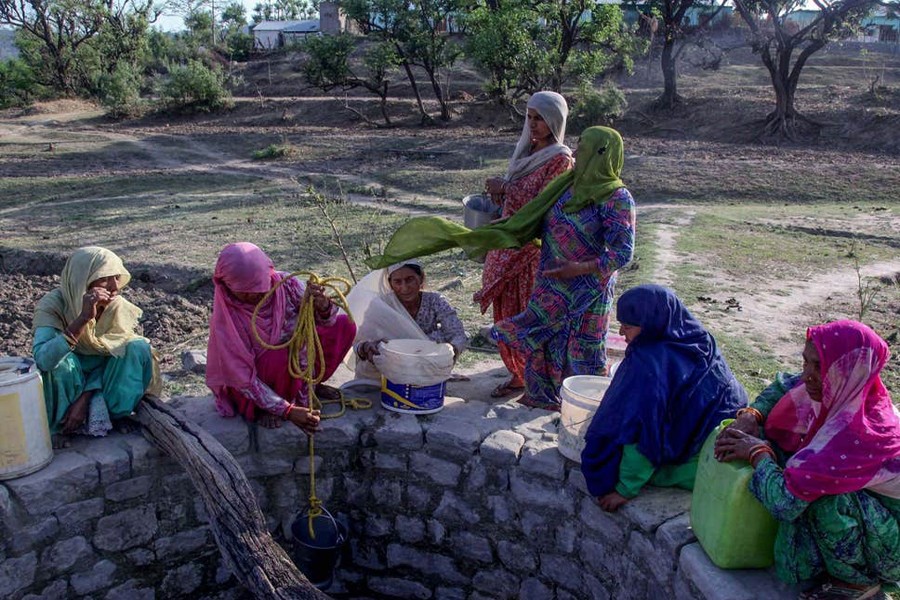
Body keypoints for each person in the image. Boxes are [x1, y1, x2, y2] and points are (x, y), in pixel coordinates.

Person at [715, 320, 900, 600]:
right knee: (795, 458)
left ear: (849, 371)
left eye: (819, 367)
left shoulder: (852, 433)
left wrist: (757, 453)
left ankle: (859, 581)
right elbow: (784, 385)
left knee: (821, 498)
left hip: (891, 546)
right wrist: (751, 416)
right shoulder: (850, 391)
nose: (807, 375)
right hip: (875, 516)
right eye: (806, 362)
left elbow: (785, 503)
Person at [489, 126, 636, 410]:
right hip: (552, 284)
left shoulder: (616, 198)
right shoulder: (566, 186)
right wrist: (510, 228)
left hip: (588, 292)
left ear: (601, 154)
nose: (576, 152)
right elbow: (539, 219)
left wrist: (579, 268)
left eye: (583, 147)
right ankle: (539, 398)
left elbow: (622, 253)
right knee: (542, 341)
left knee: (583, 348)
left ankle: (582, 408)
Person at [580, 285, 748, 512]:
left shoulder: (647, 365)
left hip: (698, 461)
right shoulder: (698, 338)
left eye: (627, 326)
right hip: (729, 441)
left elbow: (642, 431)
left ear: (650, 325)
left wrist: (624, 489)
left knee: (614, 442)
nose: (621, 333)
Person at [475, 91, 573, 399]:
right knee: (505, 310)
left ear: (554, 120)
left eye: (539, 118)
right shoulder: (525, 151)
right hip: (506, 242)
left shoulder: (560, 160)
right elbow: (516, 200)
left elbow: (546, 205)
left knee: (526, 312)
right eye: (529, 117)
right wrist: (501, 197)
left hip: (531, 249)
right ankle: (516, 372)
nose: (532, 124)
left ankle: (532, 379)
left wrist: (506, 189)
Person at [206, 242, 357, 433]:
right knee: (277, 356)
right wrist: (287, 410)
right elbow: (242, 378)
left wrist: (321, 306)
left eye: (258, 287)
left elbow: (323, 322)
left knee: (344, 325)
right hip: (258, 380)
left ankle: (309, 386)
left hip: (297, 363)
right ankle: (268, 406)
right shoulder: (226, 317)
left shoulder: (287, 284)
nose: (253, 296)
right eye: (243, 290)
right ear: (225, 284)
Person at [32, 246, 161, 448]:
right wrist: (83, 318)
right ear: (83, 279)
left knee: (137, 348)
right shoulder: (54, 305)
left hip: (100, 380)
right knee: (62, 363)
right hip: (68, 381)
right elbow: (43, 359)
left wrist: (86, 397)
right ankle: (61, 427)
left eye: (117, 277)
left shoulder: (116, 305)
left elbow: (114, 355)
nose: (113, 286)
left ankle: (117, 414)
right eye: (104, 278)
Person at [348, 260, 467, 379]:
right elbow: (358, 343)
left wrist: (447, 354)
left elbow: (457, 334)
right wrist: (366, 347)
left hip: (426, 367)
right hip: (388, 371)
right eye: (397, 282)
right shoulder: (381, 306)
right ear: (390, 283)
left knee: (440, 340)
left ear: (420, 278)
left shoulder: (435, 301)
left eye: (410, 279)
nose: (404, 288)